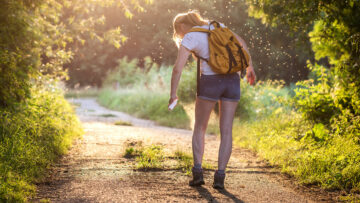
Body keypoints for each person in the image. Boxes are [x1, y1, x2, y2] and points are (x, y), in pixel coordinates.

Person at [169, 10, 256, 189]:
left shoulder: (191, 36)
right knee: (226, 131)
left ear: (182, 26)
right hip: (232, 81)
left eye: (178, 32)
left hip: (210, 82)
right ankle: (220, 177)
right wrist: (249, 68)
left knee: (200, 127)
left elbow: (178, 68)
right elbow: (242, 43)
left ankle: (198, 173)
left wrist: (173, 93)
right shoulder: (218, 26)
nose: (180, 35)